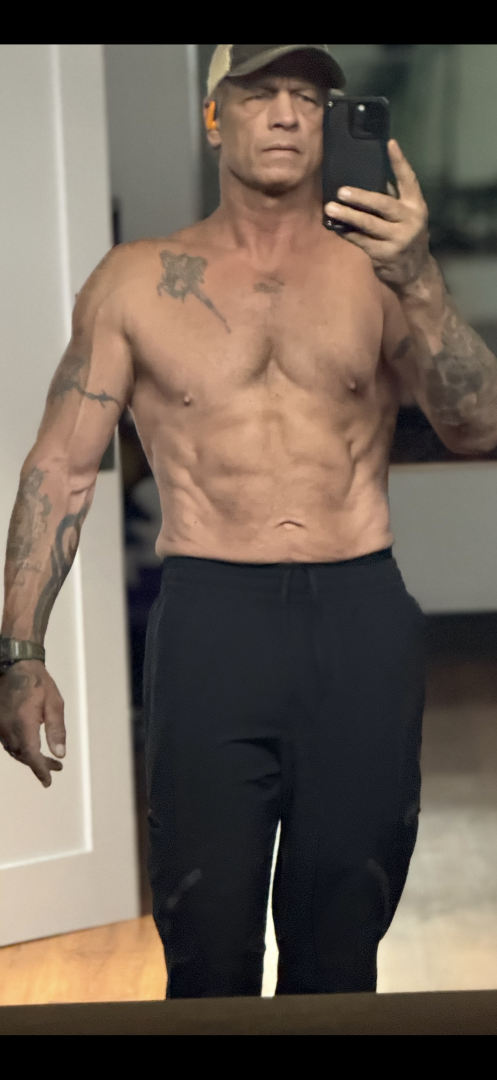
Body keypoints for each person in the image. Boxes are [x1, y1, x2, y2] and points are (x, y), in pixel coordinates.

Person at [1, 43, 497, 998]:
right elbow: (59, 468)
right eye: (259, 92)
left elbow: (477, 427)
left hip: (357, 615)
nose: (284, 114)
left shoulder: (380, 277)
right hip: (212, 622)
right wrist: (19, 653)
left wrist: (421, 277)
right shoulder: (136, 280)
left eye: (307, 97)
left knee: (340, 944)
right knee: (206, 943)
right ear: (213, 117)